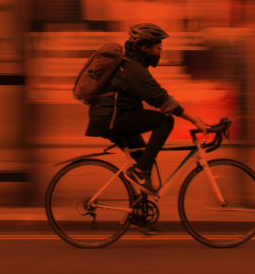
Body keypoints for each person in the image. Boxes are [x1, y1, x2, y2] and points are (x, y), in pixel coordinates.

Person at [85, 23, 209, 193]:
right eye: (158, 46)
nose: (160, 50)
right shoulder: (133, 69)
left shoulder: (132, 64)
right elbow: (161, 99)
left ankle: (139, 206)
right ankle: (139, 173)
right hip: (110, 119)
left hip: (114, 117)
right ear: (144, 48)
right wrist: (195, 120)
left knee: (145, 158)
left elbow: (156, 96)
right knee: (165, 121)